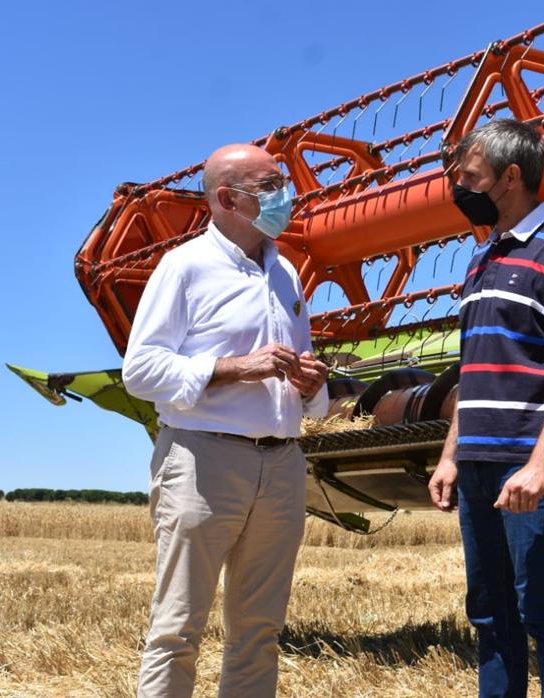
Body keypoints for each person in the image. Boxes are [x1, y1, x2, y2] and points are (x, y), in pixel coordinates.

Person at [123, 143, 329, 697]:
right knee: (178, 628)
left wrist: (313, 388)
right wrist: (233, 368)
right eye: (269, 187)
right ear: (225, 198)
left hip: (282, 462)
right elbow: (139, 371)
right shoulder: (185, 267)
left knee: (260, 631)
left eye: (281, 183)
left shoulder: (285, 273)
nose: (285, 196)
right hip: (202, 460)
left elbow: (306, 384)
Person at [429, 119, 544, 698]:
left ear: (510, 176)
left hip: (524, 462)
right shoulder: (481, 259)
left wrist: (541, 468)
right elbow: (475, 369)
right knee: (489, 613)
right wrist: (451, 454)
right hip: (476, 460)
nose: (458, 185)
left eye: (469, 175)